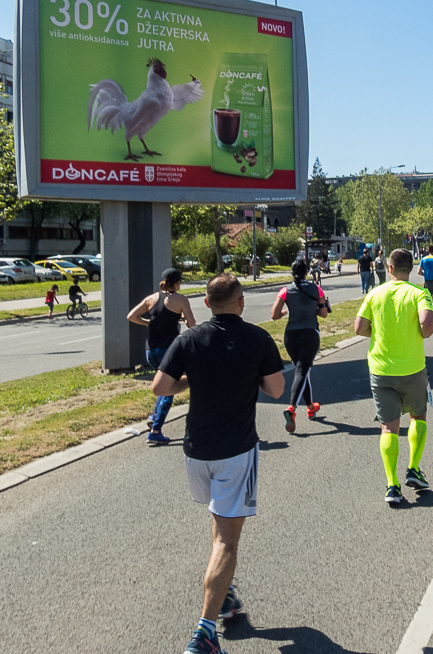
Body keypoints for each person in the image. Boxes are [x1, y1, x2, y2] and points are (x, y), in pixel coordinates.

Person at [151, 274, 285, 654]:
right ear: (240, 303)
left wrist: (192, 381)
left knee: (218, 522)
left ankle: (224, 596)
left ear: (207, 304)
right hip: (236, 451)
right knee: (227, 538)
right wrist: (249, 377)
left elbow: (160, 387)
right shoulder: (258, 338)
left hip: (196, 451)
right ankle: (205, 632)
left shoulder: (188, 339)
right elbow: (275, 389)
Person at [354, 249, 433, 505]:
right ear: (410, 268)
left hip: (380, 370)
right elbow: (428, 325)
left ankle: (392, 485)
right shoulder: (419, 293)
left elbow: (359, 328)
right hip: (412, 368)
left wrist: (380, 336)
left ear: (389, 268)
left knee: (388, 427)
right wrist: (419, 333)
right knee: (418, 416)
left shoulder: (374, 294)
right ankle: (413, 468)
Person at [128, 267, 198, 444]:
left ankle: (154, 415)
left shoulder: (151, 298)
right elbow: (192, 324)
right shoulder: (181, 299)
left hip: (150, 351)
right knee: (169, 388)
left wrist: (147, 323)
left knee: (163, 383)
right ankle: (156, 430)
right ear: (177, 283)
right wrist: (181, 317)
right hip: (169, 350)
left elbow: (131, 316)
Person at [270, 258, 330, 434]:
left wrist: (287, 311)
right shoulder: (316, 288)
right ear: (307, 272)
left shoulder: (284, 291)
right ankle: (292, 408)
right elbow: (324, 313)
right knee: (302, 370)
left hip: (291, 336)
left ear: (291, 273)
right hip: (310, 333)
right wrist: (320, 306)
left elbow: (274, 315)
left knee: (302, 370)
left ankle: (311, 406)